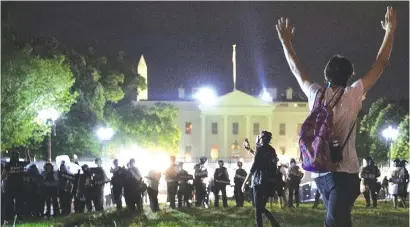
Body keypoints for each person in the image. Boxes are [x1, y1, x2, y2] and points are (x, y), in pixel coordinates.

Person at [276, 6, 396, 226]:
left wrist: (286, 43)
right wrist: (390, 31)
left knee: (335, 221)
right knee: (338, 222)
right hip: (345, 174)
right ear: (350, 75)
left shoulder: (315, 94)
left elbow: (297, 69)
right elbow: (380, 64)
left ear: (326, 75)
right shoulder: (352, 95)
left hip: (320, 171)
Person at [242, 131, 281, 227]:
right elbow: (261, 158)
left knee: (258, 207)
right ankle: (274, 223)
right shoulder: (272, 150)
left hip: (258, 181)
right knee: (260, 206)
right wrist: (250, 149)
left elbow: (255, 165)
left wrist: (245, 182)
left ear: (260, 139)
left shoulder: (260, 149)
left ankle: (268, 223)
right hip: (269, 182)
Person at [3, 151, 29, 221]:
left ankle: (13, 217)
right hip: (16, 186)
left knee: (14, 202)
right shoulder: (17, 164)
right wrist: (27, 153)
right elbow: (28, 161)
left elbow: (3, 175)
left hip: (13, 186)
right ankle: (15, 216)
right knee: (17, 202)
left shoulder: (8, 164)